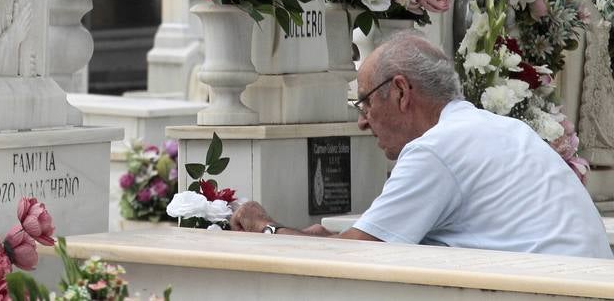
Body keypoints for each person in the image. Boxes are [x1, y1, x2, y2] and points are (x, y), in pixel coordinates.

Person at [231, 31, 612, 258]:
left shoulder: (435, 148)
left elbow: (352, 258)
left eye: (365, 101)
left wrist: (265, 227)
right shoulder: (503, 128)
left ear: (400, 91)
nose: (363, 120)